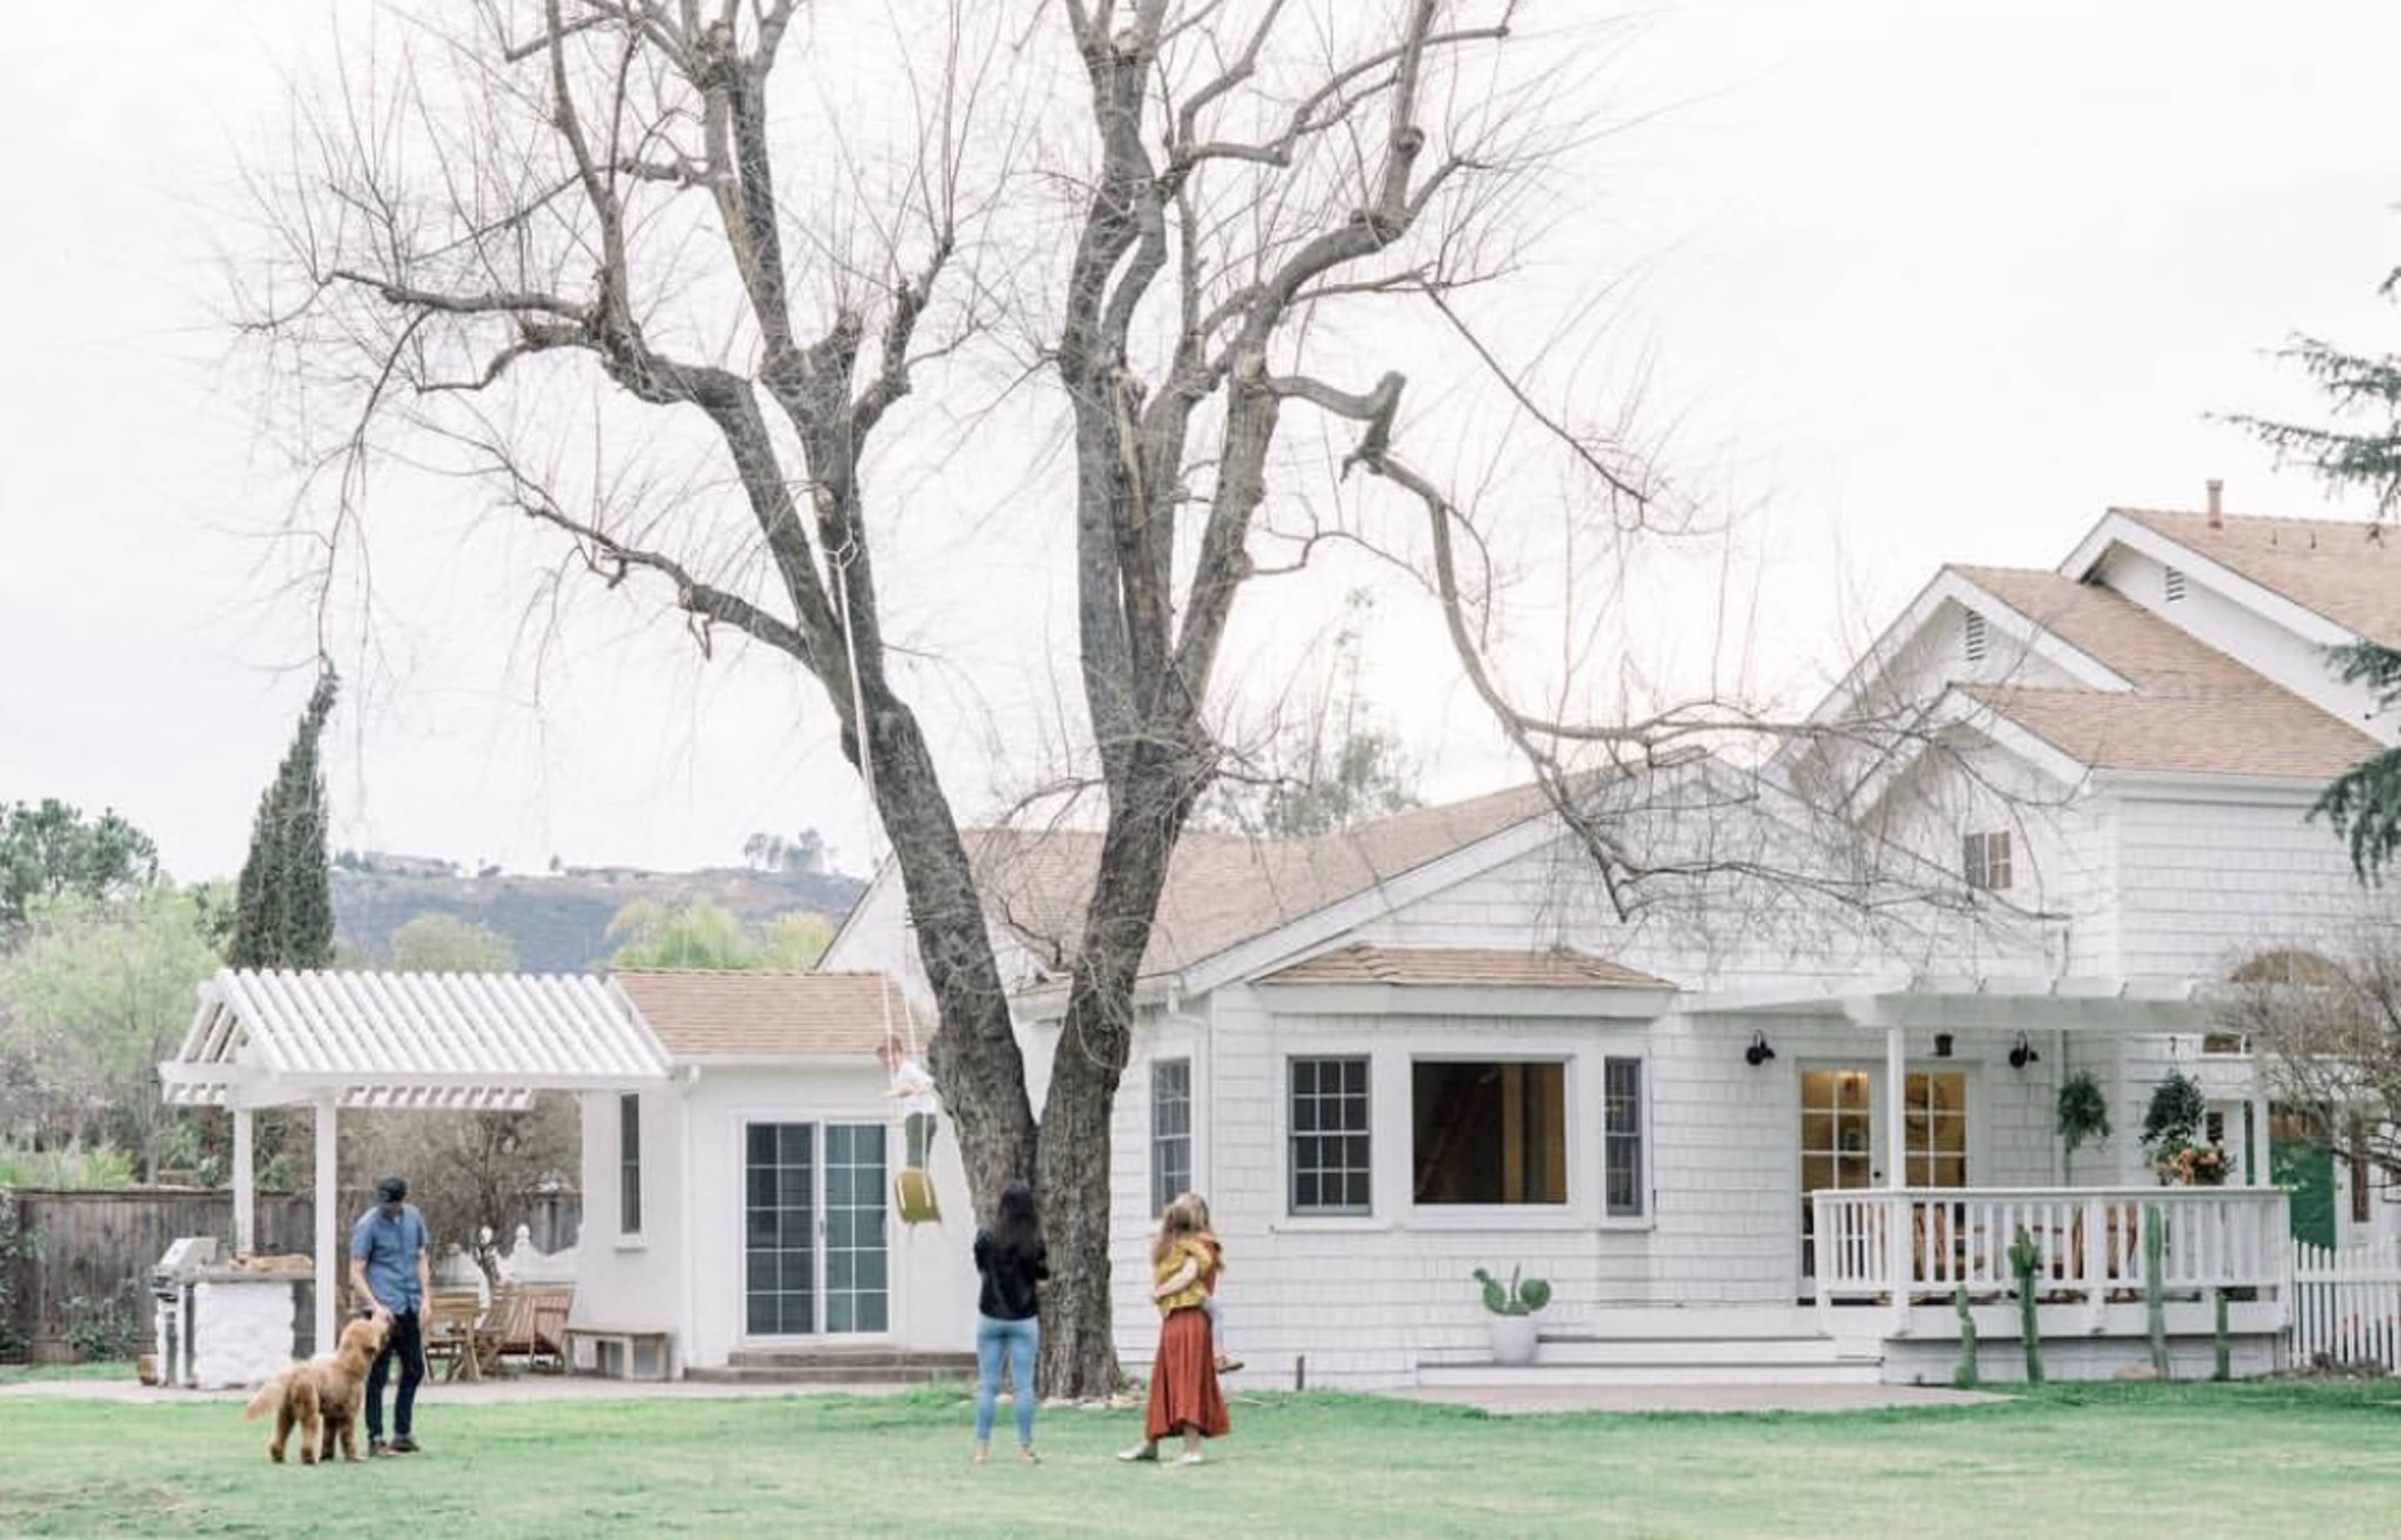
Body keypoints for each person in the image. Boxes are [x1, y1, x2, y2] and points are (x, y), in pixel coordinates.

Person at [1119, 1192, 1229, 1467]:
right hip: (1174, 1319)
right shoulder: (1178, 1244)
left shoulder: (1204, 1244)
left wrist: (1160, 1291)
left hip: (1192, 1320)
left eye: (1183, 1208)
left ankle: (1192, 1449)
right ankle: (1150, 1443)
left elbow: (1190, 1274)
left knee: (1187, 1382)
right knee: (1163, 1383)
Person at [348, 1174, 431, 1457]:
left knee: (414, 1368)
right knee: (378, 1374)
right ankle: (375, 1437)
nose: (387, 1208)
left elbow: (421, 1258)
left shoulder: (413, 1218)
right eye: (383, 1203)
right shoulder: (369, 1224)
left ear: (401, 1201)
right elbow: (356, 1271)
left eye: (392, 1204)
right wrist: (374, 1303)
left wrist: (426, 1298)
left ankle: (403, 1433)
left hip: (408, 1304)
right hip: (382, 1312)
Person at [971, 1179, 1049, 1465]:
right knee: (1023, 1387)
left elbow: (981, 1269)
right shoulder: (1034, 1241)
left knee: (988, 1386)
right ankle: (1025, 1449)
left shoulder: (986, 1236)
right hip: (1024, 1318)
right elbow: (1043, 1281)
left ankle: (981, 1449)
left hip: (990, 1315)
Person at [1186, 1193, 1241, 1376]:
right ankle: (1218, 1357)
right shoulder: (1203, 1240)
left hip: (1198, 1292)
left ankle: (1218, 1355)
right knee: (1218, 1315)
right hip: (1198, 1293)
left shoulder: (1189, 1239)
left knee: (1214, 1317)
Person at [877, 1039, 940, 1169]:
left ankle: (915, 1177)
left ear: (901, 1053)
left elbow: (927, 1083)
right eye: (884, 1058)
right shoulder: (897, 1073)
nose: (889, 1060)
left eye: (892, 1055)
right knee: (921, 1156)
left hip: (920, 1115)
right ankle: (920, 1179)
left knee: (915, 1156)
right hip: (922, 1116)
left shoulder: (908, 1069)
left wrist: (908, 1090)